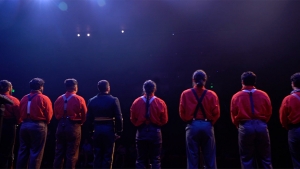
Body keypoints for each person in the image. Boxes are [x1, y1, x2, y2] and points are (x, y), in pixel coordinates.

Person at [231, 71, 273, 169]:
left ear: (242, 81)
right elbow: (269, 111)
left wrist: (238, 125)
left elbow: (233, 114)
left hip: (245, 126)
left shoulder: (236, 96)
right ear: (254, 81)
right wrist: (263, 122)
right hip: (261, 125)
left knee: (247, 158)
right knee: (265, 158)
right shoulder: (264, 95)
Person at [179, 70, 220, 169]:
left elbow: (182, 112)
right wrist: (210, 123)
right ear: (205, 80)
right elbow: (217, 113)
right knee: (210, 157)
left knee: (192, 157)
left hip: (192, 125)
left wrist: (189, 122)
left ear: (193, 80)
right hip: (207, 125)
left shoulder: (185, 94)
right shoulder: (212, 94)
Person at [16, 78, 53, 169]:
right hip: (38, 125)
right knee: (36, 153)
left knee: (22, 151)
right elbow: (49, 114)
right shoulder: (44, 98)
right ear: (40, 87)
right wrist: (46, 123)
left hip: (24, 125)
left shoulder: (24, 98)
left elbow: (19, 111)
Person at [130, 80, 168, 169]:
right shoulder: (160, 102)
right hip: (155, 132)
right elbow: (165, 120)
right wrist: (157, 124)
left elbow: (132, 118)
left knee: (141, 159)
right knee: (156, 159)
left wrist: (139, 124)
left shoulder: (136, 102)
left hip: (141, 132)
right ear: (154, 89)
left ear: (144, 89)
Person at [86, 80, 123, 169]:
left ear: (98, 88)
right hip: (109, 129)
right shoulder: (114, 100)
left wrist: (90, 132)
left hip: (97, 129)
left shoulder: (92, 100)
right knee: (107, 155)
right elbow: (118, 117)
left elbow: (89, 118)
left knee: (97, 155)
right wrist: (119, 131)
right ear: (108, 88)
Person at [53, 78, 87, 169]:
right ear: (75, 87)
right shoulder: (79, 99)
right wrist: (81, 122)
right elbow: (84, 114)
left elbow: (55, 113)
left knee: (59, 153)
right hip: (73, 126)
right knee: (71, 154)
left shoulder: (59, 98)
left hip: (61, 125)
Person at [279, 72, 300, 168]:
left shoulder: (288, 99)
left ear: (293, 84)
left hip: (295, 130)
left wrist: (288, 127)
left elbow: (283, 117)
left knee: (297, 159)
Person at [0, 80, 20, 168]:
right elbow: (18, 115)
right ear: (9, 88)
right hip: (8, 126)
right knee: (8, 150)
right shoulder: (14, 100)